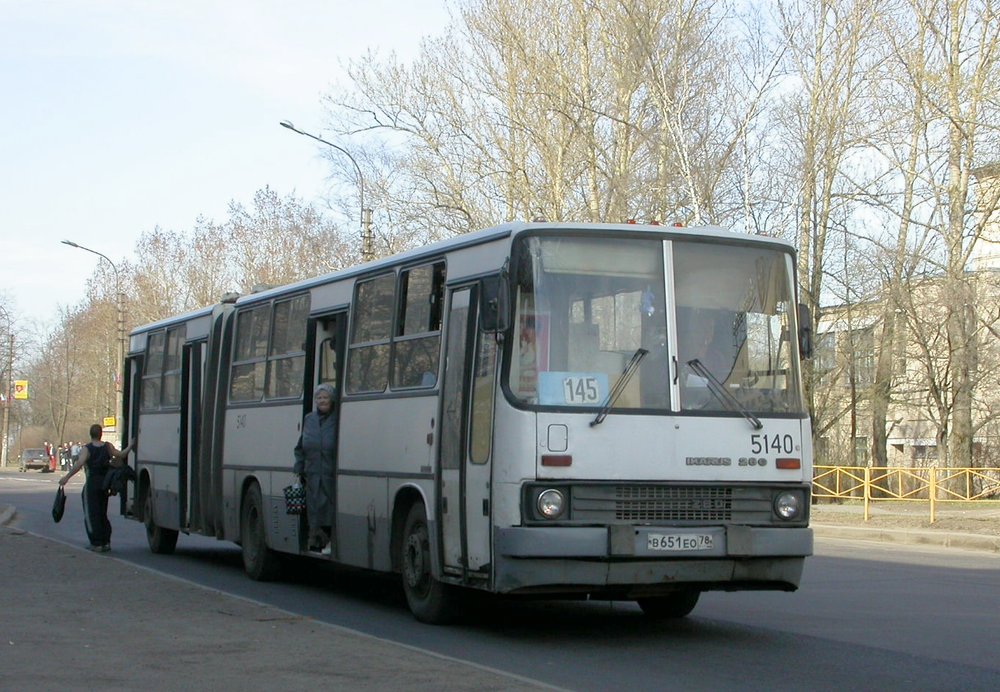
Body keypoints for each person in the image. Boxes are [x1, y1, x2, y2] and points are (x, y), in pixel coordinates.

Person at [59, 424, 136, 553]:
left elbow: (79, 464)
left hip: (92, 484)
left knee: (91, 514)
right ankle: (106, 542)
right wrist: (131, 445)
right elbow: (121, 454)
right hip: (105, 484)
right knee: (102, 512)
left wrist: (67, 477)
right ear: (101, 434)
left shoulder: (87, 449)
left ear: (91, 434)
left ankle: (96, 543)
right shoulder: (107, 447)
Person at [293, 383, 337, 555]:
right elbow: (300, 446)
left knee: (329, 509)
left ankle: (331, 541)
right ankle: (317, 542)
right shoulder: (309, 419)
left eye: (325, 397)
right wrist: (299, 467)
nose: (322, 401)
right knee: (315, 511)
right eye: (319, 398)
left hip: (330, 475)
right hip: (312, 476)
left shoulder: (337, 419)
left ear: (332, 400)